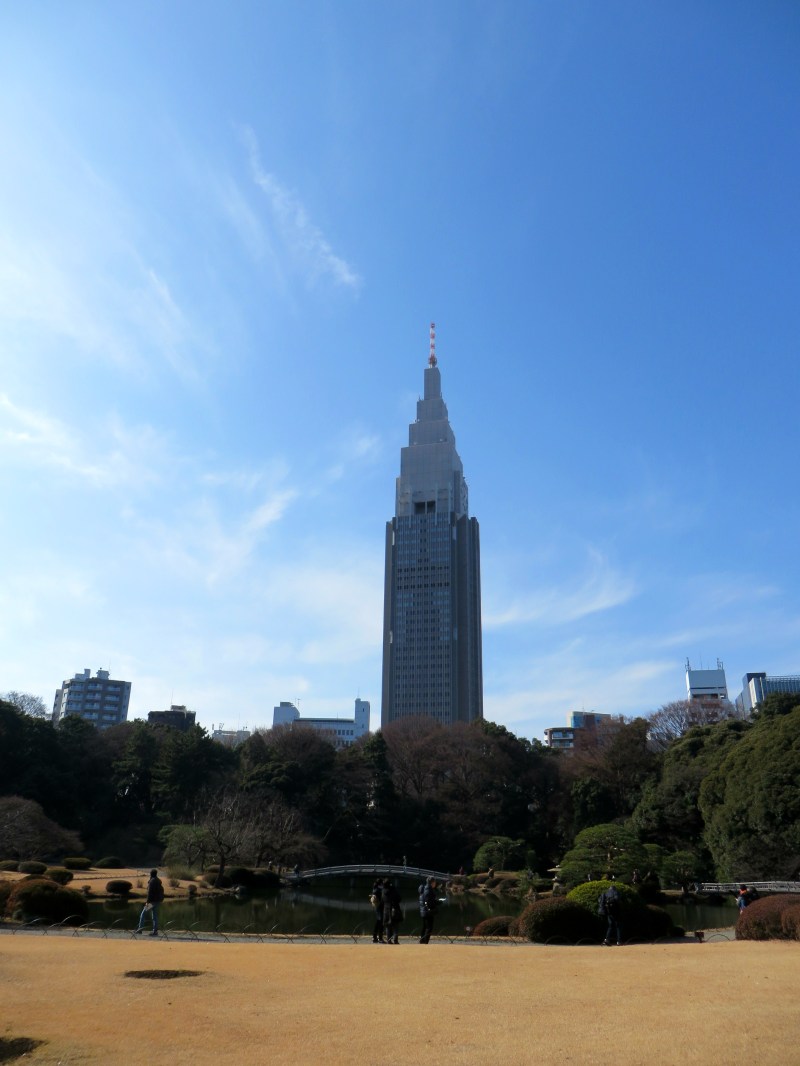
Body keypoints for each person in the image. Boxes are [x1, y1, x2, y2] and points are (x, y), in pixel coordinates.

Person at [135, 868, 165, 936]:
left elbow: (150, 893)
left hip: (152, 901)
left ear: (151, 874)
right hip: (157, 901)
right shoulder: (158, 880)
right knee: (155, 916)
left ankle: (140, 929)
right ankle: (155, 931)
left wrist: (147, 902)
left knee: (143, 914)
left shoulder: (152, 881)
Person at [418, 877, 440, 944]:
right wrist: (438, 902)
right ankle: (425, 942)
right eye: (435, 882)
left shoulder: (424, 889)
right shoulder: (429, 890)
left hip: (424, 910)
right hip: (428, 911)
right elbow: (429, 902)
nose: (435, 884)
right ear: (432, 882)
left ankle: (422, 941)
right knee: (429, 928)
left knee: (425, 927)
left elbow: (426, 901)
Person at [382, 878, 403, 944]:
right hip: (394, 909)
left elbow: (382, 900)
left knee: (388, 926)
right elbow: (399, 898)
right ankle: (395, 940)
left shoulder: (383, 891)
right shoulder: (393, 890)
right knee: (395, 926)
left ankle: (388, 940)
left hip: (386, 910)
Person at [370, 878, 385, 943]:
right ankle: (380, 938)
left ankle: (375, 936)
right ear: (381, 883)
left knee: (378, 921)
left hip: (377, 907)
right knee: (380, 921)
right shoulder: (378, 890)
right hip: (380, 907)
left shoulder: (376, 888)